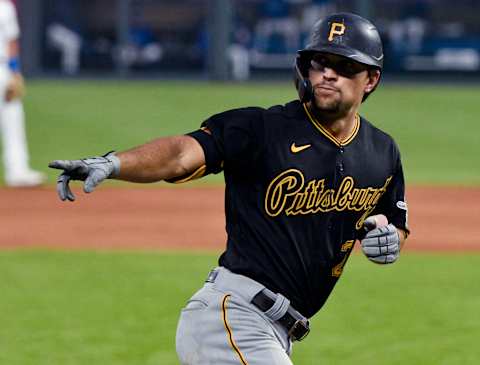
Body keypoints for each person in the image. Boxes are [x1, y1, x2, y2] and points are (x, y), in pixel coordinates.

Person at [49, 12, 410, 365]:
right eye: (320, 61)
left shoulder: (382, 152)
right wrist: (114, 163)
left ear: (371, 79)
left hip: (275, 333)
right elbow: (180, 154)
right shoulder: (261, 129)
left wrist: (390, 238)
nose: (329, 73)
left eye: (345, 65)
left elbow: (393, 222)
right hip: (231, 317)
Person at [0, 0, 45, 186]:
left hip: (2, 68)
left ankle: (17, 170)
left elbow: (11, 40)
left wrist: (15, 71)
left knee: (13, 117)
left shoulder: (5, 6)